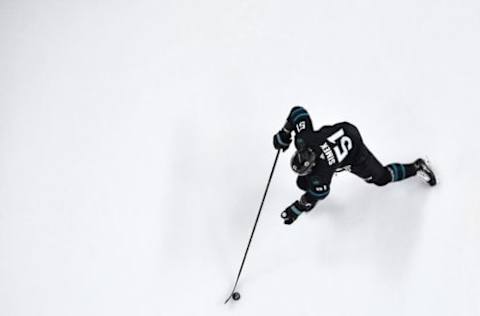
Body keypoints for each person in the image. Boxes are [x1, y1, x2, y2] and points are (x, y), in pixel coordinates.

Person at [273, 106, 437, 225]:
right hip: (344, 128)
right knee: (303, 182)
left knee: (382, 178)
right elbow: (298, 112)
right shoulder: (304, 139)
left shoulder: (322, 175)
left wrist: (299, 207)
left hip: (355, 153)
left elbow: (319, 193)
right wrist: (285, 133)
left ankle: (416, 167)